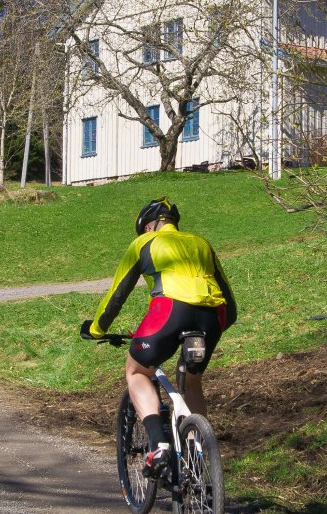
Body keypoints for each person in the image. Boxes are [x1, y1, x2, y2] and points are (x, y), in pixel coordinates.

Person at [81, 196, 236, 477]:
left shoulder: (144, 244)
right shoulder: (201, 242)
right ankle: (196, 455)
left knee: (137, 372)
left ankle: (159, 446)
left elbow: (117, 295)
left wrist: (96, 329)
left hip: (170, 311)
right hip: (213, 315)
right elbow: (231, 304)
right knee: (192, 380)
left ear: (149, 227)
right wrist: (213, 329)